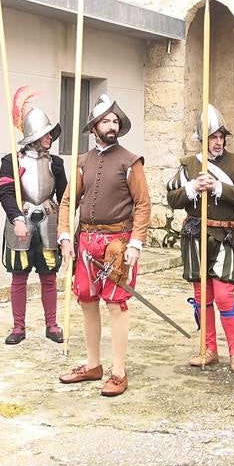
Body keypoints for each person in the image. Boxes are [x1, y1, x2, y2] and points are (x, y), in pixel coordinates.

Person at [56, 95, 151, 397]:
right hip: (86, 242)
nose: (112, 125)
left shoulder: (130, 161)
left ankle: (118, 372)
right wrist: (65, 236)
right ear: (93, 127)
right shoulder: (83, 161)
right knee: (86, 300)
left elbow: (143, 203)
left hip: (117, 244)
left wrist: (136, 242)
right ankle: (93, 364)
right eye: (106, 121)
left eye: (115, 121)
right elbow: (69, 200)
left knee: (116, 304)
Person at [167, 106, 234, 373]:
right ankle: (208, 350)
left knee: (224, 296)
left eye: (220, 137)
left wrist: (218, 187)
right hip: (195, 235)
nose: (217, 142)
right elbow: (172, 198)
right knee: (202, 295)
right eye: (212, 138)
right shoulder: (189, 165)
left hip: (227, 235)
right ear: (202, 139)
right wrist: (193, 187)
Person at [0, 93, 67, 345]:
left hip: (48, 222)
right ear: (35, 136)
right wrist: (16, 218)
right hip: (20, 223)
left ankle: (52, 324)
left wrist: (60, 215)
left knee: (48, 276)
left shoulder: (56, 164)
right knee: (19, 276)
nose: (51, 137)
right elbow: (5, 193)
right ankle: (18, 327)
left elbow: (66, 196)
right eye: (47, 133)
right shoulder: (11, 161)